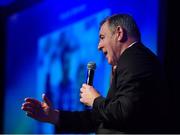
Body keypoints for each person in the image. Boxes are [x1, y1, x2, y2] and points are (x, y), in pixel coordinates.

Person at [21, 14, 169, 133]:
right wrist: (54, 116)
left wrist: (95, 100)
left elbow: (124, 113)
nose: (99, 46)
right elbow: (101, 118)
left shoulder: (136, 59)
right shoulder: (130, 61)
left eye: (102, 37)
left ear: (119, 33)